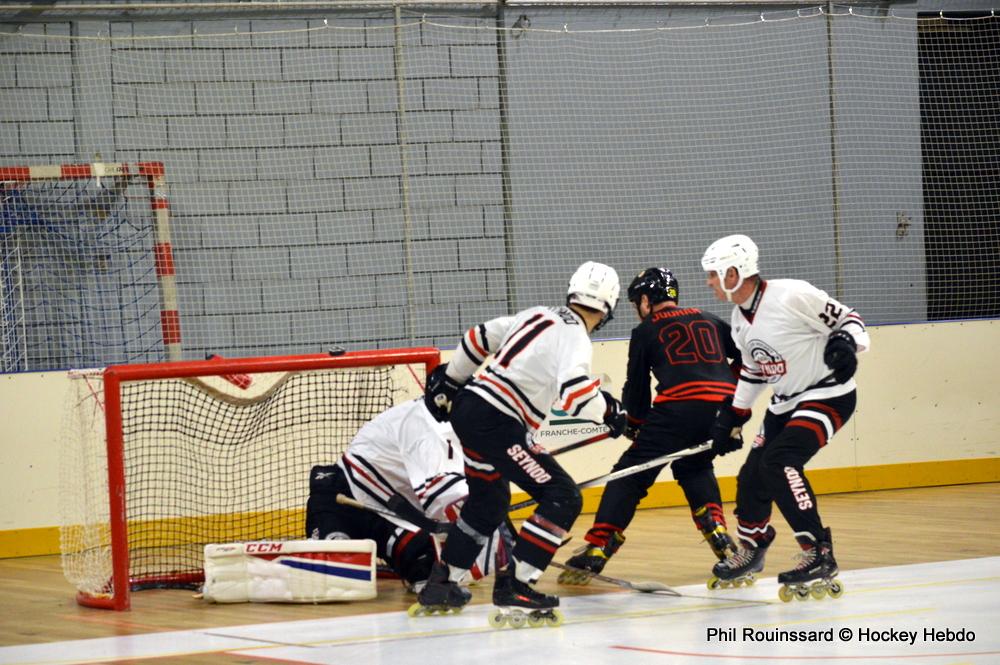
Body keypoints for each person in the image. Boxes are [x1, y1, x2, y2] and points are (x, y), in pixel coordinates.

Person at [417, 261, 628, 621]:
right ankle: (516, 584)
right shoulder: (575, 336)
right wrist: (611, 411)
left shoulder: (537, 313)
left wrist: (451, 381)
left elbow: (478, 337)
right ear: (610, 306)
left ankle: (443, 583)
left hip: (470, 410)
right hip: (497, 421)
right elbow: (577, 395)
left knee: (489, 501)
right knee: (562, 497)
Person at [700, 234, 869, 600]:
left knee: (780, 462)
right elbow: (754, 371)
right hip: (784, 403)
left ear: (733, 273)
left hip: (828, 394)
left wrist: (846, 344)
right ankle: (753, 545)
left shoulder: (792, 295)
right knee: (752, 475)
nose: (709, 282)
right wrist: (734, 415)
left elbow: (850, 319)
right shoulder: (739, 318)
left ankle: (818, 550)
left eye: (713, 274)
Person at [558, 267, 741, 585]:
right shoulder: (709, 318)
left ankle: (598, 547)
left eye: (635, 303)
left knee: (629, 476)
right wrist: (730, 397)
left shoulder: (646, 330)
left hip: (677, 411)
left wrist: (634, 424)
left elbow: (637, 388)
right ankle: (719, 535)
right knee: (695, 467)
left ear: (645, 300)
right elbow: (747, 357)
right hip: (721, 411)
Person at [305, 397, 508, 592]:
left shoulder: (461, 432)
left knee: (428, 569)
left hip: (391, 518)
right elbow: (448, 503)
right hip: (344, 500)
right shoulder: (429, 429)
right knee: (329, 576)